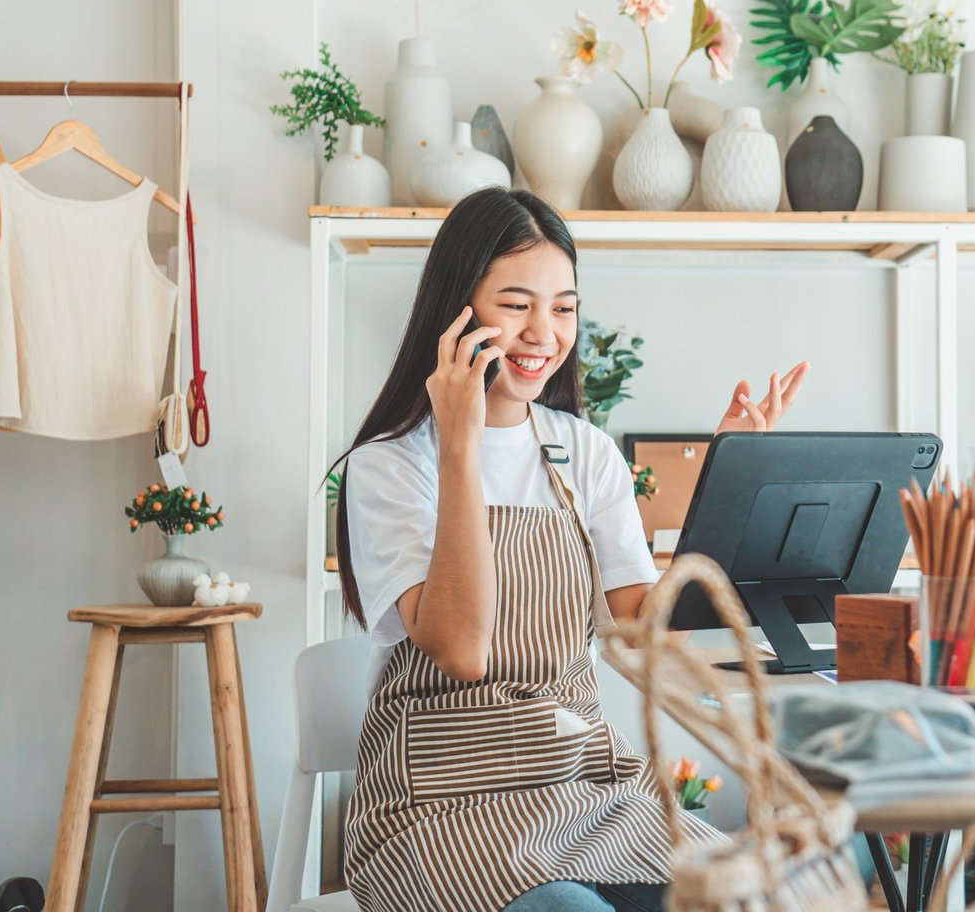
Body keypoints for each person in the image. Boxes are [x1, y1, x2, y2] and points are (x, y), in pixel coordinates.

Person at [332, 188, 808, 912]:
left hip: (580, 781)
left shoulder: (582, 452)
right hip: (437, 804)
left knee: (753, 892)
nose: (543, 334)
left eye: (563, 307)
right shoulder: (390, 465)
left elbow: (645, 627)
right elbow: (462, 648)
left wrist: (730, 484)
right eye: (516, 304)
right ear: (456, 312)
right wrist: (459, 442)